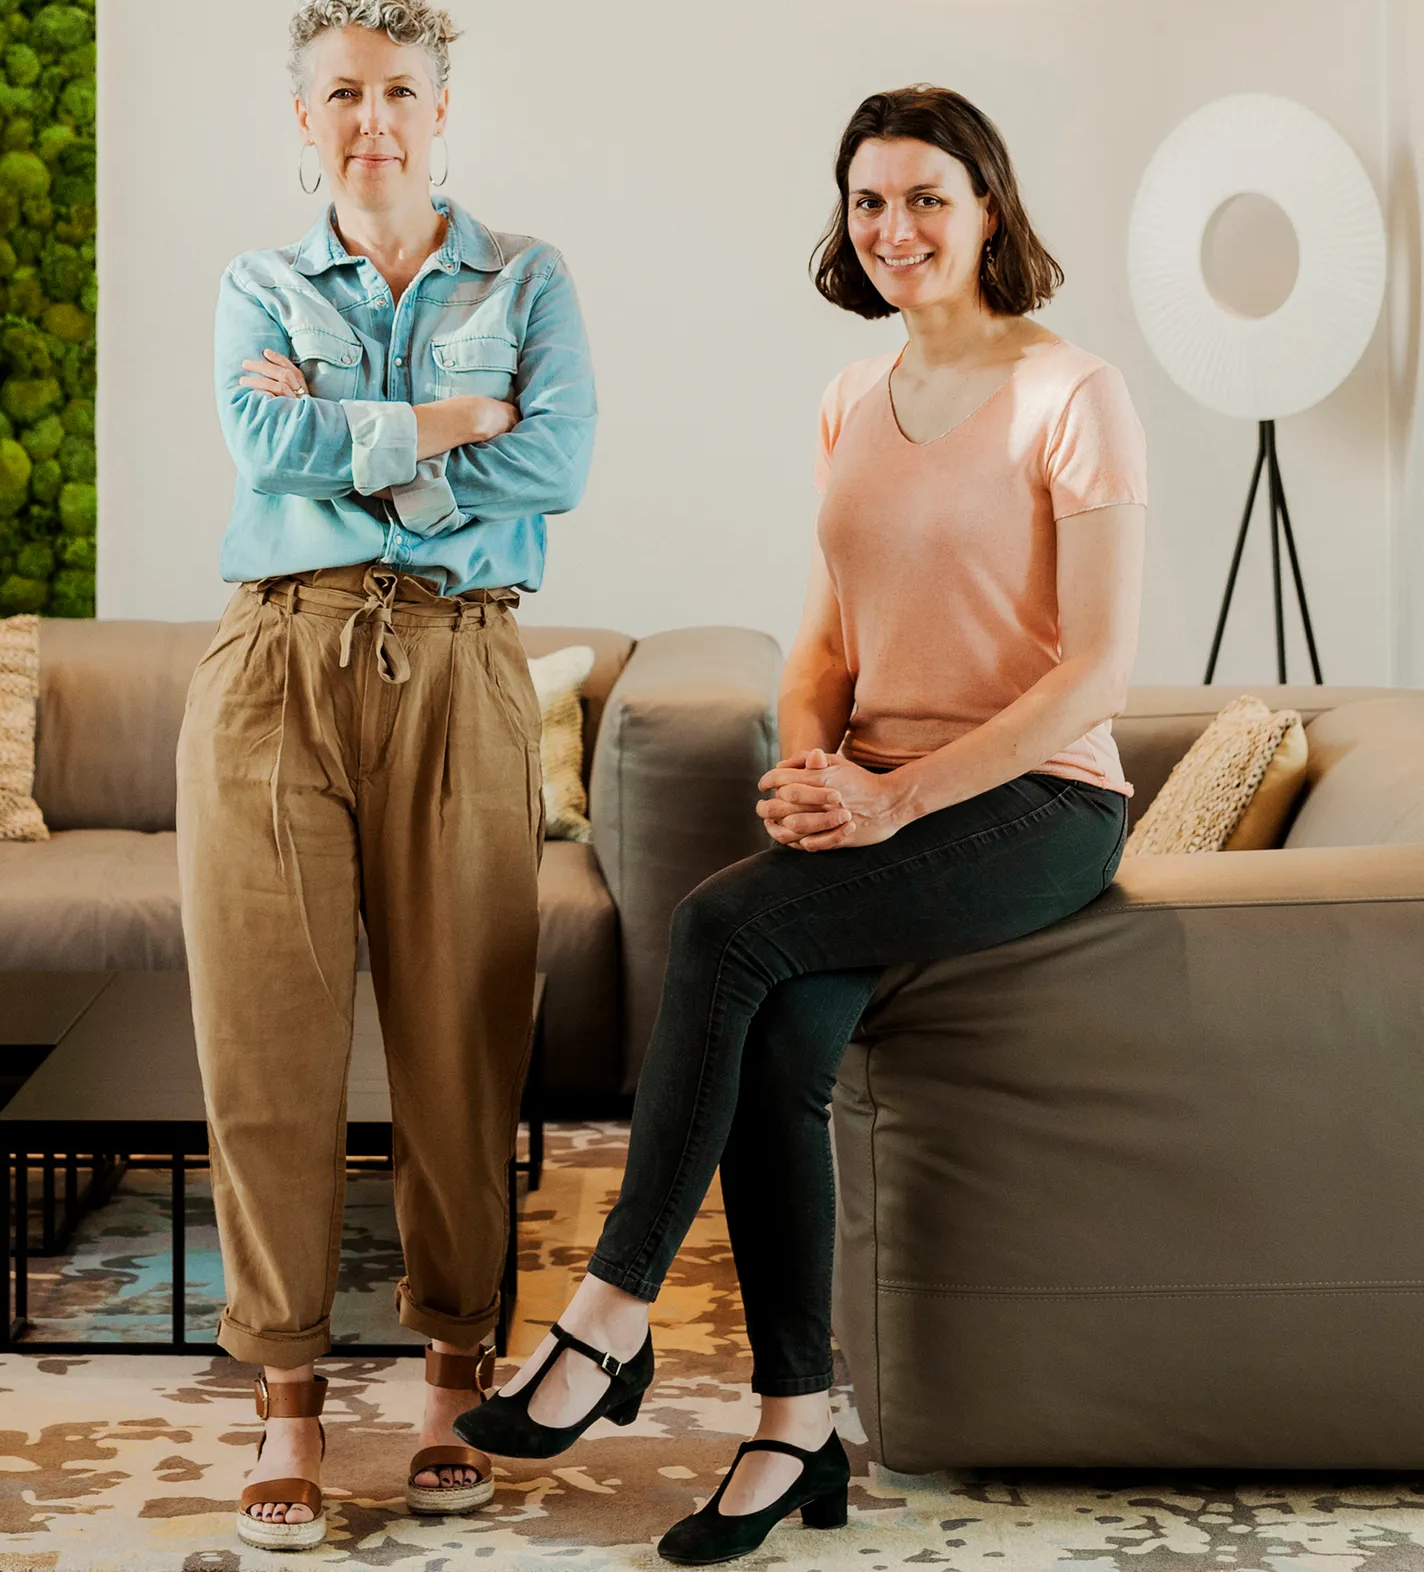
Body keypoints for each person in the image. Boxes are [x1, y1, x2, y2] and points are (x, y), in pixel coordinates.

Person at [458, 84, 1144, 1562]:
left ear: (990, 212)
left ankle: (610, 1314)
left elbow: (1095, 666)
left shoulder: (1071, 395)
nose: (894, 228)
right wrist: (809, 764)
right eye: (868, 201)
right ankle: (795, 1426)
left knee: (717, 921)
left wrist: (896, 797)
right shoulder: (851, 399)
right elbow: (825, 638)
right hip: (877, 798)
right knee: (775, 1037)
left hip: (1035, 803)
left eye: (926, 199)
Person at [179, 0, 597, 1550]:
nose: (372, 120)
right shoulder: (251, 282)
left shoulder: (529, 275)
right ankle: (287, 1400)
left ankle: (448, 1374)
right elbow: (259, 451)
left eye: (399, 92)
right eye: (342, 94)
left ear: (442, 112)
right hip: (273, 663)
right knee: (268, 1054)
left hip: (462, 662)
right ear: (305, 120)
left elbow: (553, 459)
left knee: (459, 1044)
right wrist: (445, 427)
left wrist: (365, 434)